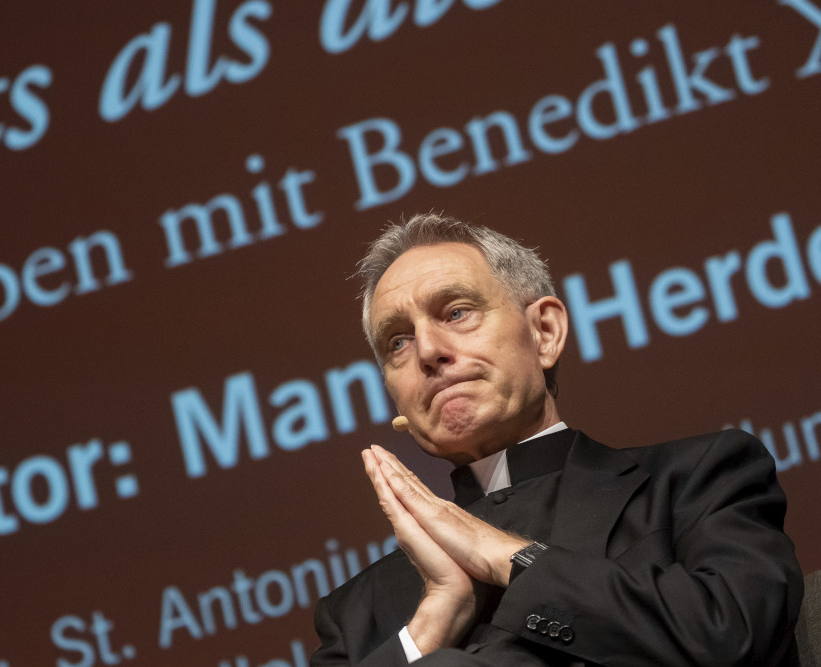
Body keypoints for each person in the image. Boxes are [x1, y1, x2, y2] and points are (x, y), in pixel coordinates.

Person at [310, 213, 803, 666]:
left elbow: (735, 635)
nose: (429, 352)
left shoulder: (696, 479)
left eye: (457, 312)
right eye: (398, 342)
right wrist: (429, 626)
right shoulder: (356, 611)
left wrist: (503, 554)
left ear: (544, 332)